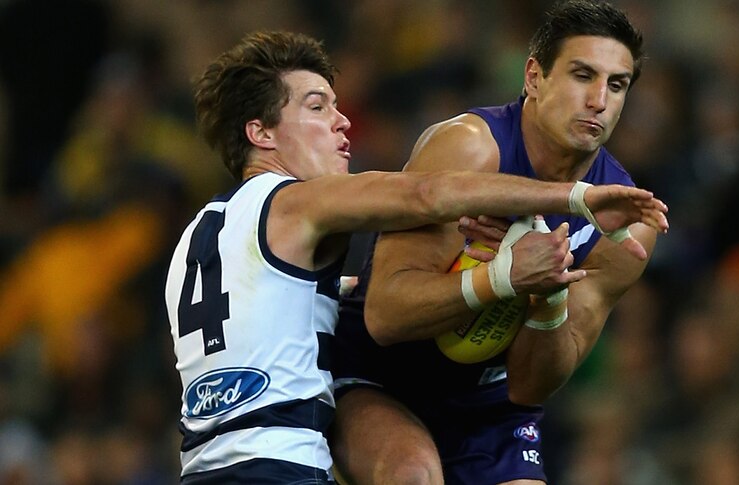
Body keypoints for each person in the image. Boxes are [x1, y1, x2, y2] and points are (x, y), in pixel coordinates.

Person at [163, 30, 667, 484]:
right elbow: (425, 195)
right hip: (284, 463)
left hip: (205, 465)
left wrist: (340, 292)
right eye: (318, 108)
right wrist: (572, 200)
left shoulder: (195, 239)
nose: (343, 122)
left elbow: (266, 312)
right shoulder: (296, 203)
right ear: (261, 134)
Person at [329, 1, 658, 484]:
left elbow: (530, 387)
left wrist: (550, 296)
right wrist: (504, 278)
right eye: (582, 75)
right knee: (413, 476)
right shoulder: (469, 149)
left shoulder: (625, 228)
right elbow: (385, 316)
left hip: (487, 405)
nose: (599, 101)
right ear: (533, 77)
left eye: (616, 84)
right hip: (378, 377)